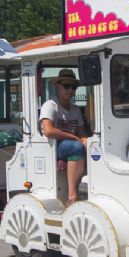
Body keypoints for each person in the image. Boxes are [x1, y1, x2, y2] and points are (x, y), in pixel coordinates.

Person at [39, 69, 88, 204]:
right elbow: (48, 131)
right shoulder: (50, 106)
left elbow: (82, 133)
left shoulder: (75, 109)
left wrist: (87, 141)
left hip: (69, 146)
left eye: (74, 87)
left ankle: (87, 189)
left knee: (92, 148)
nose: (70, 90)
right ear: (58, 86)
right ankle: (72, 196)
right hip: (53, 147)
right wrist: (74, 138)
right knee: (76, 147)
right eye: (67, 86)